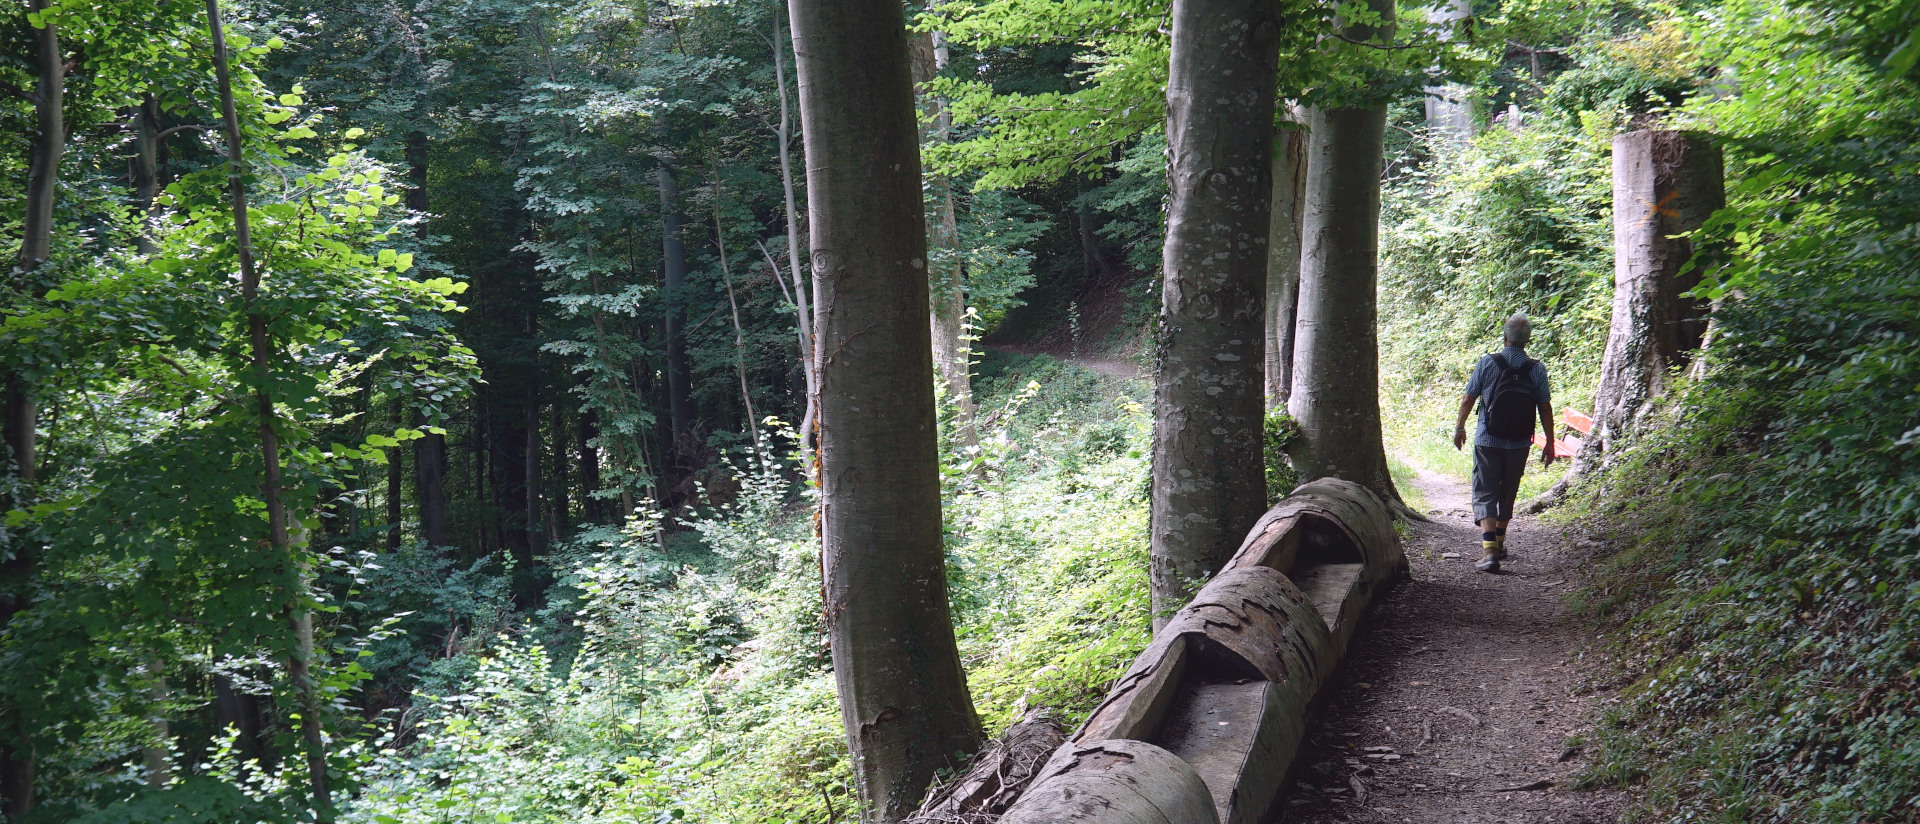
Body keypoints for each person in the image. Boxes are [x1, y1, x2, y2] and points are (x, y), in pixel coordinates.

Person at [1452, 313, 1557, 572]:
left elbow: (1468, 399)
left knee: (1485, 489)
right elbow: (1545, 407)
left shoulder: (1488, 362)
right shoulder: (1536, 369)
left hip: (1488, 438)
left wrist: (1460, 427)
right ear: (1527, 339)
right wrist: (1550, 442)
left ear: (1505, 337)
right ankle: (1499, 543)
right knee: (1508, 490)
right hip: (1520, 442)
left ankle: (1489, 553)